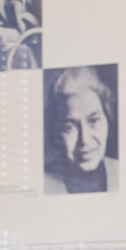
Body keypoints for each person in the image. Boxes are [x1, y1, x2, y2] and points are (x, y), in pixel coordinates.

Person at [42, 67, 118, 195]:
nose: (84, 139)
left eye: (93, 121)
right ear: (55, 133)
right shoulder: (42, 184)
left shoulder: (125, 171)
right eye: (69, 127)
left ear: (107, 119)